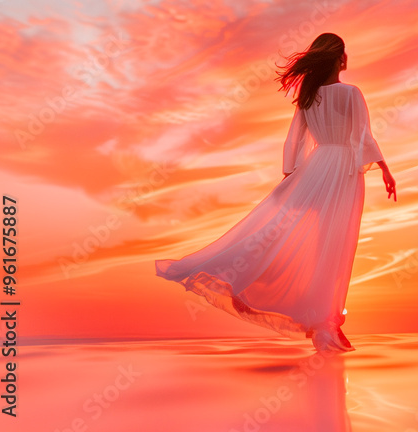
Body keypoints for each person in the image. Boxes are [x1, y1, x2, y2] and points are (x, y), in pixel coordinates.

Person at [155, 32, 396, 352]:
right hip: (342, 172)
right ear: (340, 58)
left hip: (316, 167)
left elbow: (294, 140)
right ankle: (324, 323)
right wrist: (383, 168)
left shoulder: (309, 97)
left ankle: (322, 322)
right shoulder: (351, 93)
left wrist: (292, 175)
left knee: (304, 240)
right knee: (335, 246)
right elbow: (363, 134)